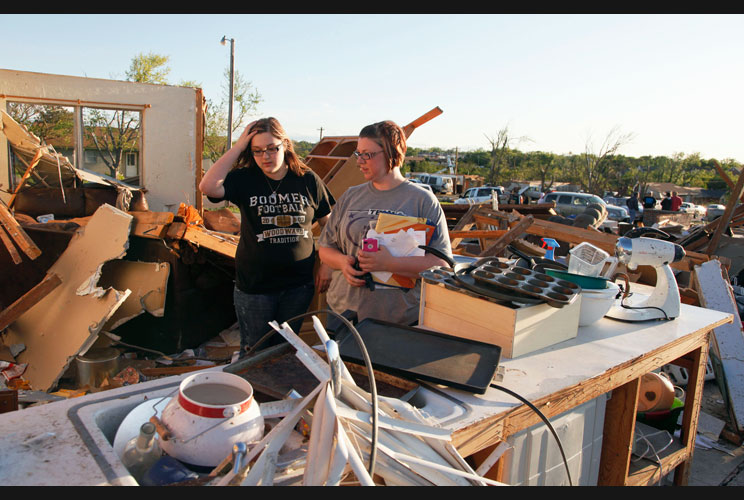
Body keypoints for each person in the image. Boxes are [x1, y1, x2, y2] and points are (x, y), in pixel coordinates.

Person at [199, 117, 335, 356]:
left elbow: (330, 225)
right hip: (255, 287)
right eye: (257, 151)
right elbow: (208, 187)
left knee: (287, 350)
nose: (265, 157)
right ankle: (257, 393)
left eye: (272, 148)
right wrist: (239, 146)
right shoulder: (245, 179)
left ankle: (281, 393)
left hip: (298, 286)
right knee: (255, 352)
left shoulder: (307, 179)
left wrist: (327, 264)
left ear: (285, 145)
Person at [318, 120, 452, 328]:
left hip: (397, 319)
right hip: (342, 313)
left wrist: (389, 263)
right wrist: (343, 263)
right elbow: (326, 248)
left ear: (392, 152)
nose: (359, 161)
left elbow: (441, 267)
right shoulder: (351, 196)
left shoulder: (422, 201)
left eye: (367, 155)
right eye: (358, 154)